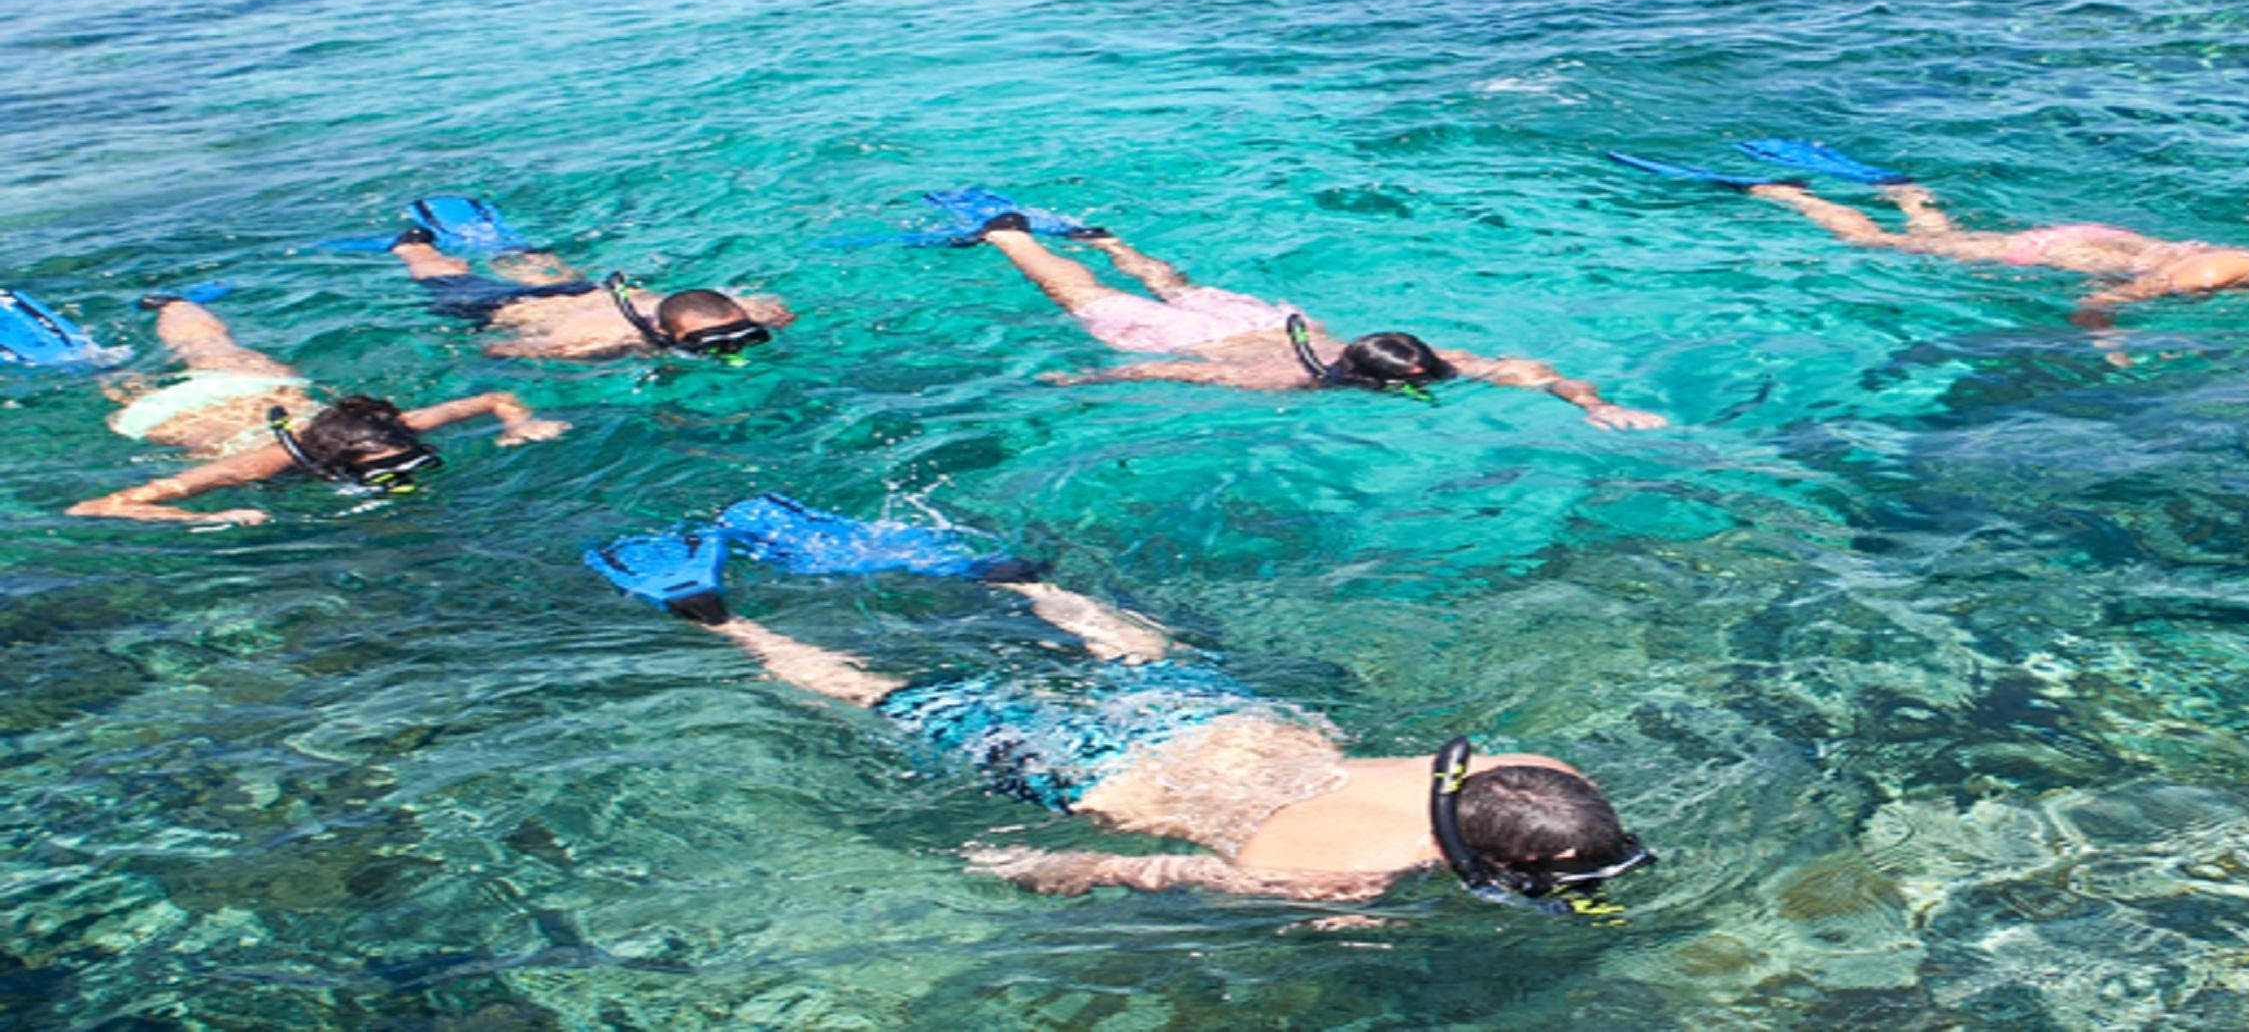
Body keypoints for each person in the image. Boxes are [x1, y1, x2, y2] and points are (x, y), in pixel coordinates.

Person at [596, 516, 1654, 910]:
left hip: (1223, 721)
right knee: (880, 693)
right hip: (1093, 777)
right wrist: (1021, 866)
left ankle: (1022, 581)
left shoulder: (1533, 768)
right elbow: (1134, 867)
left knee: (1133, 650)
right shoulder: (1335, 876)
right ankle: (714, 616)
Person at [963, 215, 1666, 430]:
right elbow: (1164, 367)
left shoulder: (1420, 359)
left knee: (1177, 285)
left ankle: (1114, 243)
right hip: (1202, 336)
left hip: (1271, 320)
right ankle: (1009, 236)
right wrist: (1082, 380)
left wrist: (1597, 404)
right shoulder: (1288, 381)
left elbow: (1541, 376)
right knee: (1076, 292)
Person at [1749, 185, 2249, 359]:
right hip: (2059, 251)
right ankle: (1796, 196)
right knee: (1885, 249)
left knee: (1943, 243)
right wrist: (2108, 340)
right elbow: (2097, 298)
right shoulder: (2205, 277)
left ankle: (1912, 198)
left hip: (2115, 241)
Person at [70, 294, 570, 525]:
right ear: (332, 464)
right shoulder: (253, 466)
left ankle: (171, 304)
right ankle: (94, 357)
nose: (406, 474)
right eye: (386, 471)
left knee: (212, 346)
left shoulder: (394, 430)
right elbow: (100, 505)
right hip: (177, 412)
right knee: (121, 382)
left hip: (263, 390)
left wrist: (521, 423)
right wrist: (207, 516)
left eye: (413, 460)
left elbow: (494, 398)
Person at [387, 231, 791, 361]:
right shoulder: (593, 339)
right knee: (446, 279)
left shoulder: (751, 313)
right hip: (515, 307)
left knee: (563, 277)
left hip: (588, 292)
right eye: (711, 346)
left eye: (747, 337)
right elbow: (498, 348)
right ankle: (413, 248)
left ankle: (516, 250)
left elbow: (777, 310)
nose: (734, 348)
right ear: (661, 331)